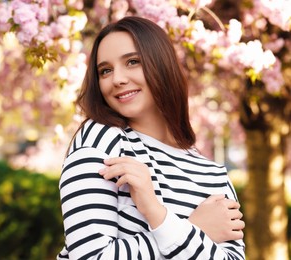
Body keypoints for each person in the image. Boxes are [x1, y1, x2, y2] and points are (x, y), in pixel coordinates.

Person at [57, 16, 245, 259]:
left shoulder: (213, 175)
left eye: (133, 62)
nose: (118, 79)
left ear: (162, 65)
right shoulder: (102, 140)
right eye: (105, 70)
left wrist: (158, 215)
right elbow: (90, 256)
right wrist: (194, 229)